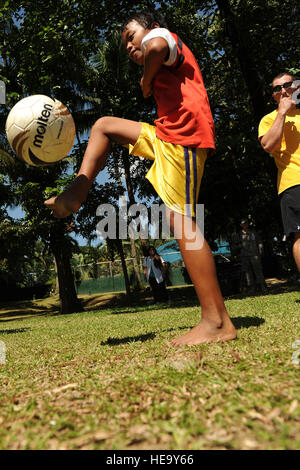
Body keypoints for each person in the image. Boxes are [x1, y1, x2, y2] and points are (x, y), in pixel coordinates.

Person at [45, 11, 237, 345]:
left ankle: (217, 322)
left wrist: (147, 79)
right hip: (165, 135)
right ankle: (80, 186)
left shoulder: (161, 38)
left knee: (181, 222)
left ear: (149, 26)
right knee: (104, 125)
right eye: (126, 44)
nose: (131, 45)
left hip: (185, 141)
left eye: (131, 36)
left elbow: (157, 45)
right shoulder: (157, 50)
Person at [258, 72, 300, 275]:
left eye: (287, 85)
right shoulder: (269, 119)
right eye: (277, 88)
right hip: (293, 183)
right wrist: (282, 113)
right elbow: (267, 145)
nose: (283, 90)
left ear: (296, 87)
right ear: (274, 95)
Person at [233, 219, 266, 293]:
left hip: (254, 255)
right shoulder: (238, 235)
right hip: (244, 256)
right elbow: (233, 247)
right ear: (241, 225)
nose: (245, 225)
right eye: (243, 224)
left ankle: (262, 286)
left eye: (246, 223)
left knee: (258, 270)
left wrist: (260, 252)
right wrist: (238, 246)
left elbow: (259, 242)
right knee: (248, 272)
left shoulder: (253, 233)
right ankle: (252, 288)